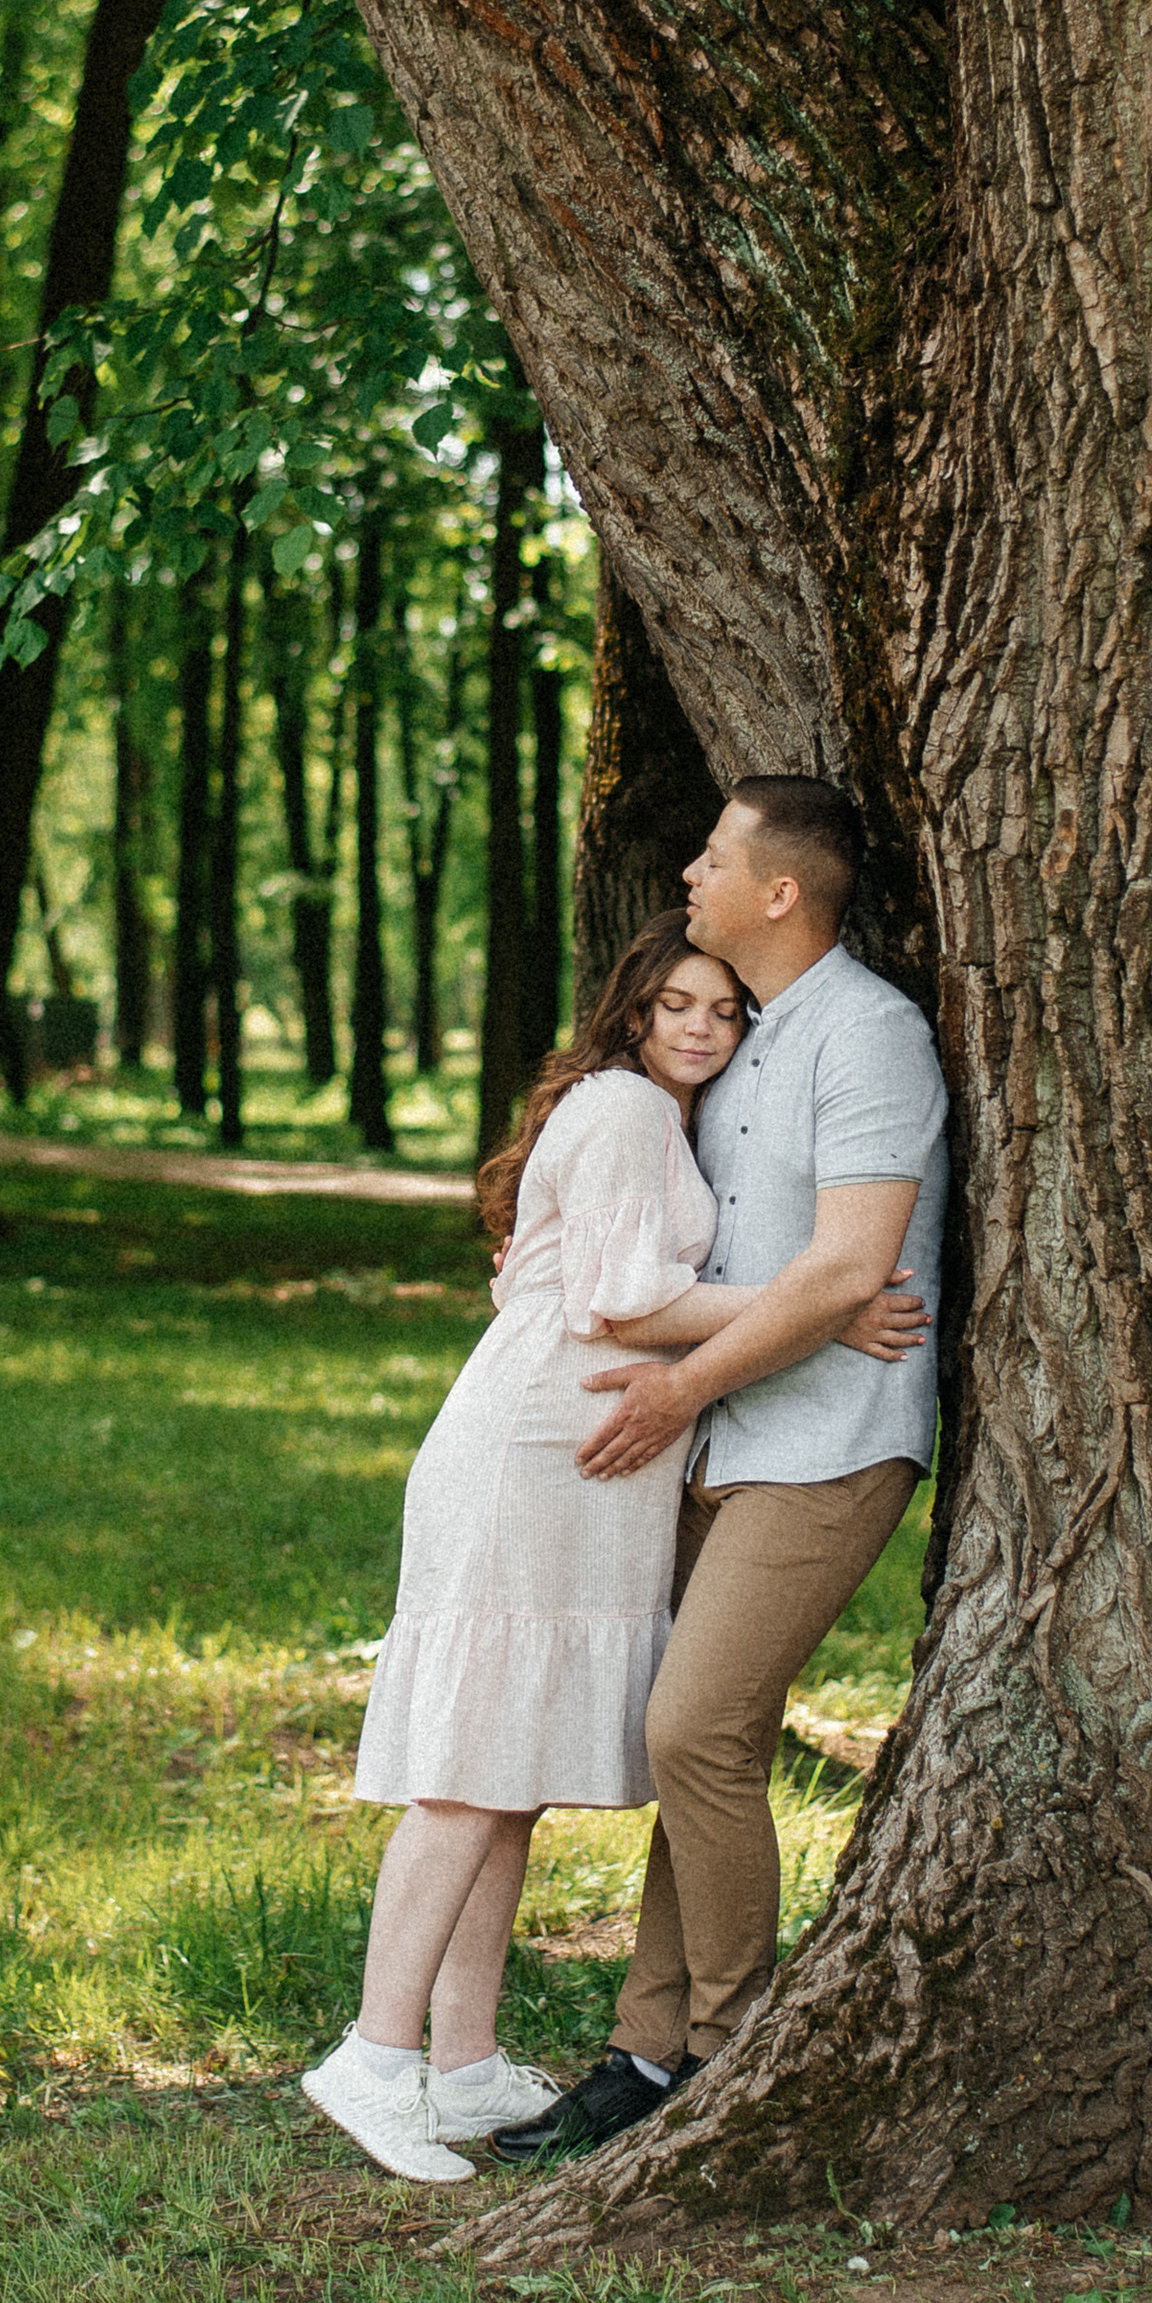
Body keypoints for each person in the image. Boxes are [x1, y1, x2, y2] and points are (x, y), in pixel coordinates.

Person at [304, 906, 926, 2185]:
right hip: (544, 1450)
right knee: (471, 1766)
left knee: (508, 1771)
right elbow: (624, 1300)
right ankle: (372, 2056)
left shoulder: (645, 1114)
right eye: (675, 1006)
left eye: (724, 1009)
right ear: (631, 1013)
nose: (702, 1028)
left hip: (584, 1454)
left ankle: (466, 2062)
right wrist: (821, 1303)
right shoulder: (626, 1109)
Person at [493, 775, 950, 2164]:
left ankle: (735, 2042)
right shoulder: (732, 1033)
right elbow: (688, 1244)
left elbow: (847, 1262)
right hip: (720, 1436)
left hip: (828, 1437)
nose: (687, 869)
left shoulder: (869, 1036)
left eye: (714, 854)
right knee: (698, 1740)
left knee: (692, 1726)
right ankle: (648, 2047)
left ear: (782, 890)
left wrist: (685, 1375)